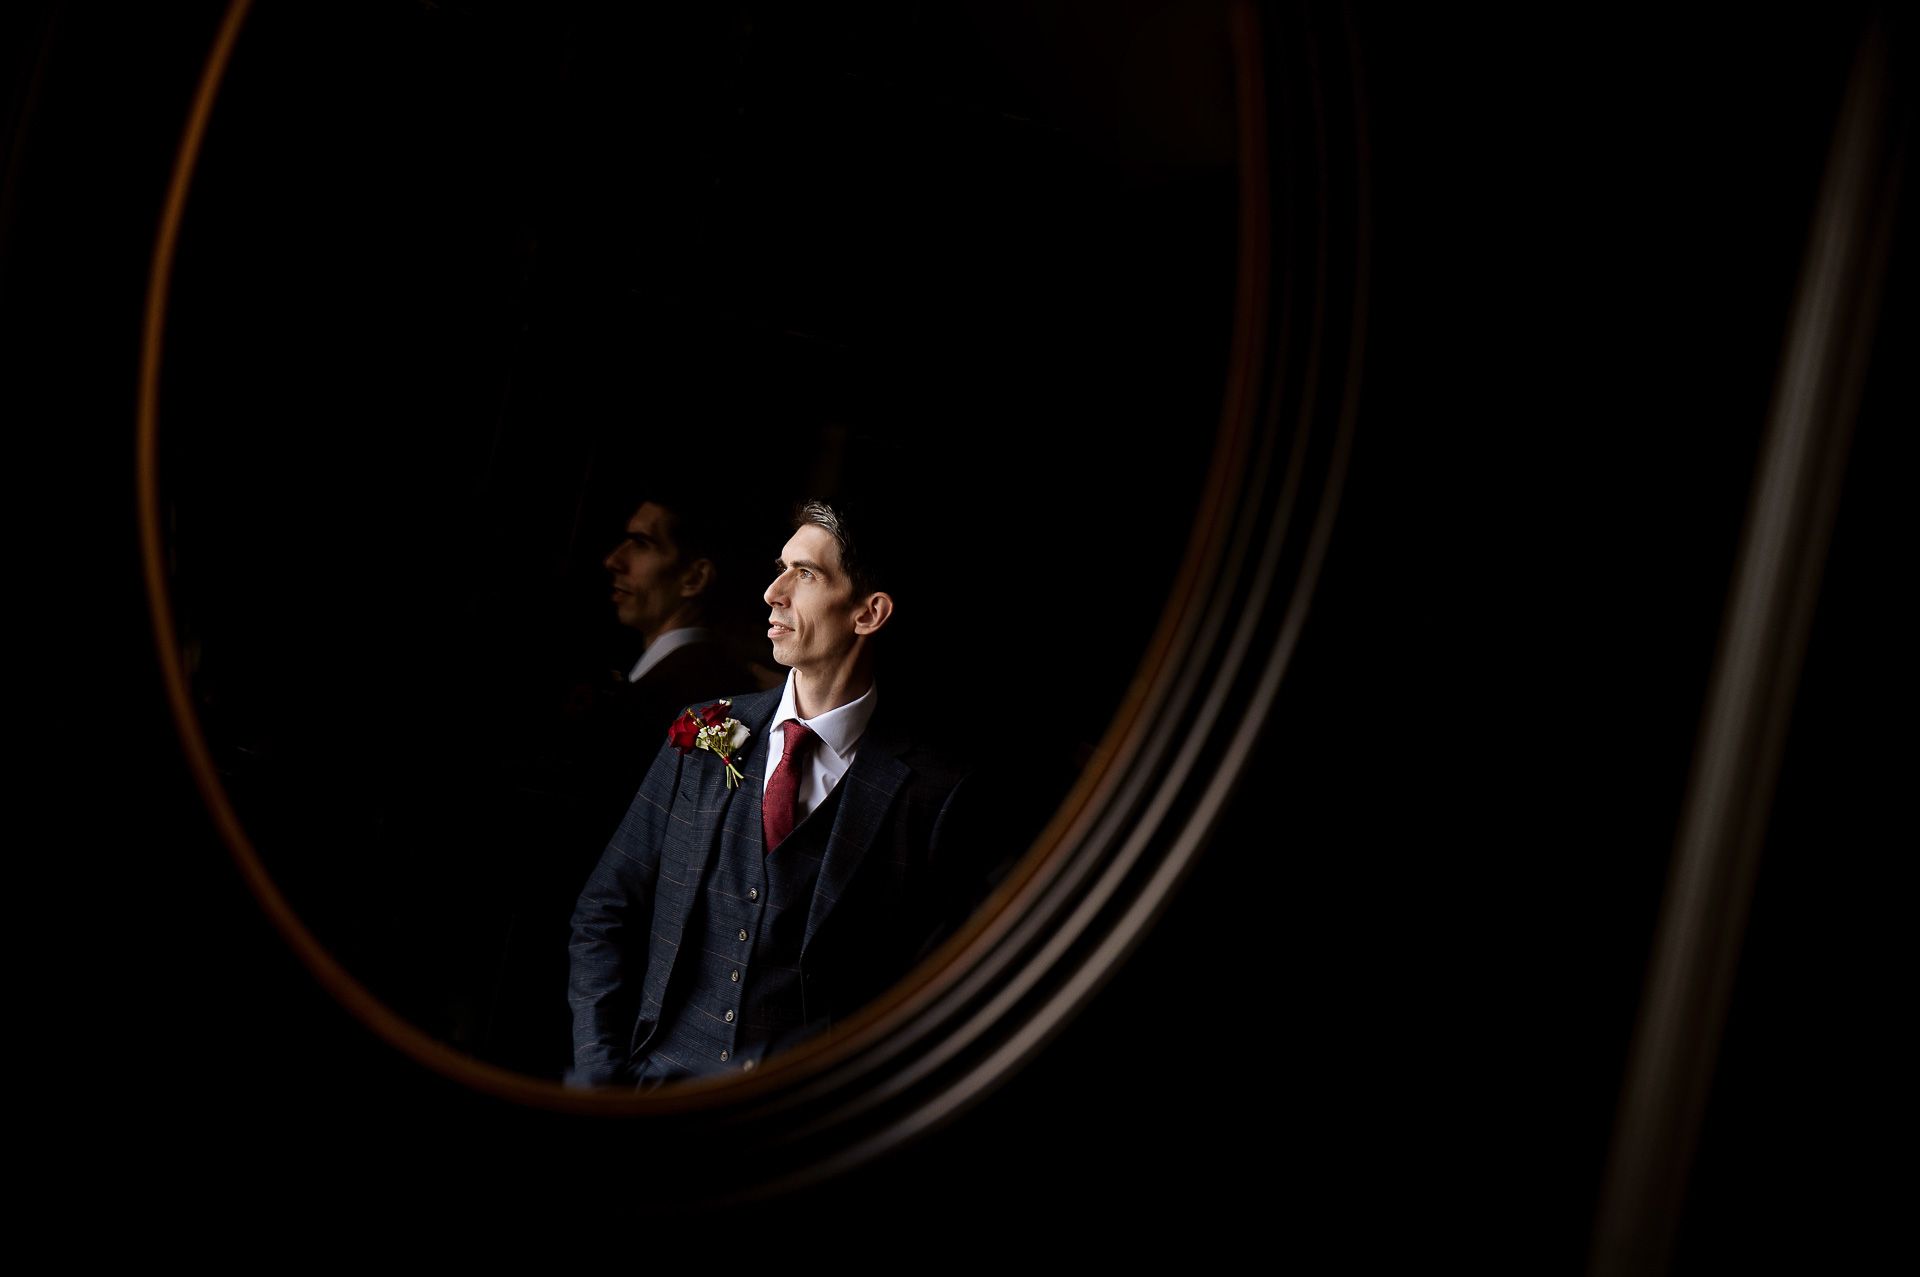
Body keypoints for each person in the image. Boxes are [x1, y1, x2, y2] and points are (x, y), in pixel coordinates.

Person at [567, 499, 982, 1087]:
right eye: (780, 567)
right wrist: (600, 1073)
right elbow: (603, 913)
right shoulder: (703, 734)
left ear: (869, 613)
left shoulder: (937, 792)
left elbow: (939, 987)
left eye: (805, 573)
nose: (773, 592)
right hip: (652, 1094)